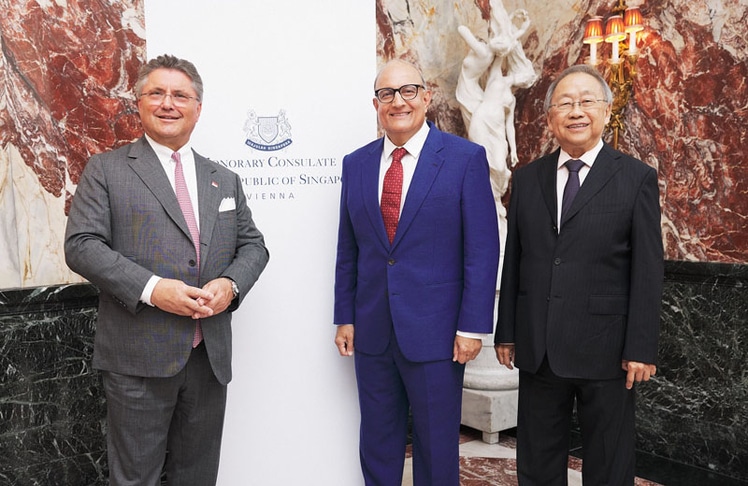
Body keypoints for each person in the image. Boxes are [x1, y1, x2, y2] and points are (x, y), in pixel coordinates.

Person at [64, 54, 269, 485]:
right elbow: (82, 246)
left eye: (180, 95)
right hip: (138, 359)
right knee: (136, 478)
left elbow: (253, 245)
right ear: (138, 103)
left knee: (197, 476)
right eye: (156, 93)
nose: (168, 103)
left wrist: (230, 285)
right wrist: (155, 289)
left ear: (198, 107)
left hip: (207, 357)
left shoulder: (223, 179)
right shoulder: (106, 169)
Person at [494, 64, 664, 485]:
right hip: (540, 346)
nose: (576, 111)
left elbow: (647, 268)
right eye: (565, 103)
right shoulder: (528, 178)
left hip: (606, 348)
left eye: (587, 101)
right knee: (536, 458)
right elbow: (515, 257)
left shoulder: (635, 178)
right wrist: (507, 332)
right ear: (550, 117)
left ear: (606, 112)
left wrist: (641, 346)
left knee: (608, 460)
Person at [333, 59, 500, 485]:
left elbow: (482, 249)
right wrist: (345, 316)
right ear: (375, 104)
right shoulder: (356, 164)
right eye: (387, 94)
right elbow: (348, 249)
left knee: (435, 443)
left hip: (439, 334)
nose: (398, 101)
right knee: (377, 439)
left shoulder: (464, 159)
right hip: (372, 331)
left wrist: (472, 326)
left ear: (427, 97)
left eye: (408, 91)